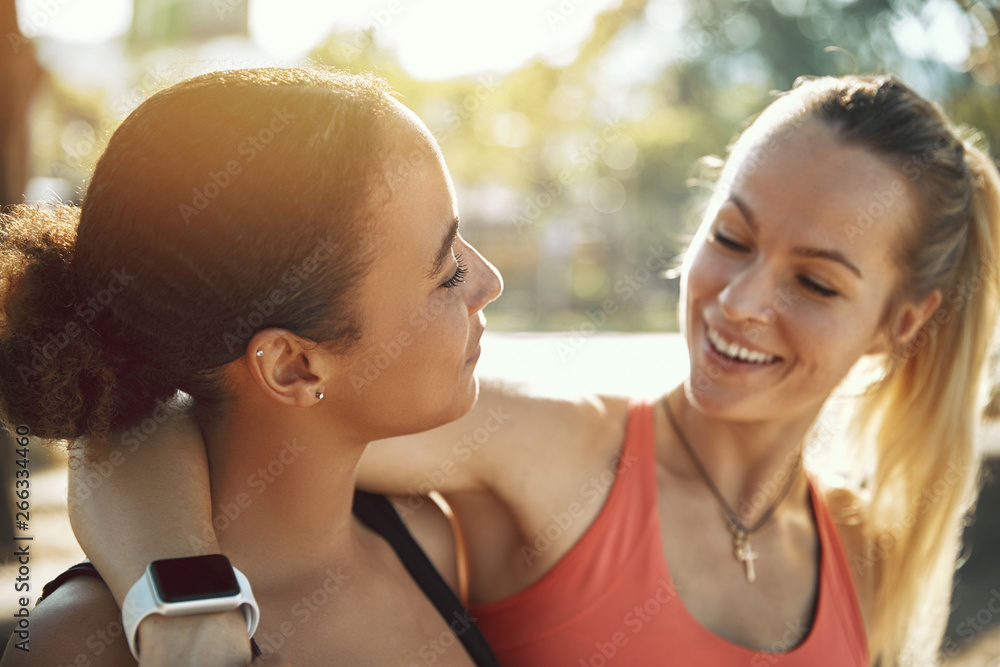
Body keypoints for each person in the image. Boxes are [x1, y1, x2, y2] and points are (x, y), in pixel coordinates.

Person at [65, 74, 1000, 666]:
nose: (743, 300)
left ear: (900, 322)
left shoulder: (867, 558)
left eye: (816, 282)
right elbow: (168, 407)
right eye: (731, 236)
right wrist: (188, 613)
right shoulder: (550, 447)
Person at [0, 67, 505, 666]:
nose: (489, 282)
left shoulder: (432, 542)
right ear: (293, 366)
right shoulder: (81, 648)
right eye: (447, 270)